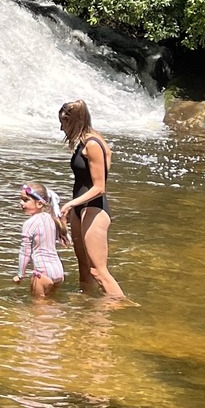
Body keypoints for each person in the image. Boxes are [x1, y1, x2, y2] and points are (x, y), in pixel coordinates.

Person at [59, 99, 125, 299]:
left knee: (98, 270)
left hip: (94, 208)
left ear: (75, 120)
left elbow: (99, 187)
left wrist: (71, 203)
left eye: (63, 121)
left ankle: (121, 304)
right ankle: (88, 308)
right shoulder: (84, 142)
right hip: (80, 208)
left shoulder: (93, 144)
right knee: (83, 265)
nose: (61, 127)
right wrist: (74, 207)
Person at [14, 183, 65, 297]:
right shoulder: (51, 219)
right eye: (21, 199)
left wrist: (20, 275)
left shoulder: (30, 223)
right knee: (51, 303)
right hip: (58, 271)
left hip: (43, 272)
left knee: (38, 308)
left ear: (39, 203)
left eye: (25, 200)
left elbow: (25, 252)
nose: (21, 203)